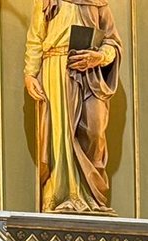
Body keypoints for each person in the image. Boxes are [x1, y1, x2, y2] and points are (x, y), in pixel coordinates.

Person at [23, 0, 122, 215]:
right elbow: (36, 37)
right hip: (55, 67)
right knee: (60, 136)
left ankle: (92, 198)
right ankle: (61, 196)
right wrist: (30, 73)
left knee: (94, 131)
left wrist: (99, 57)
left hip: (90, 72)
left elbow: (112, 42)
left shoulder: (98, 3)